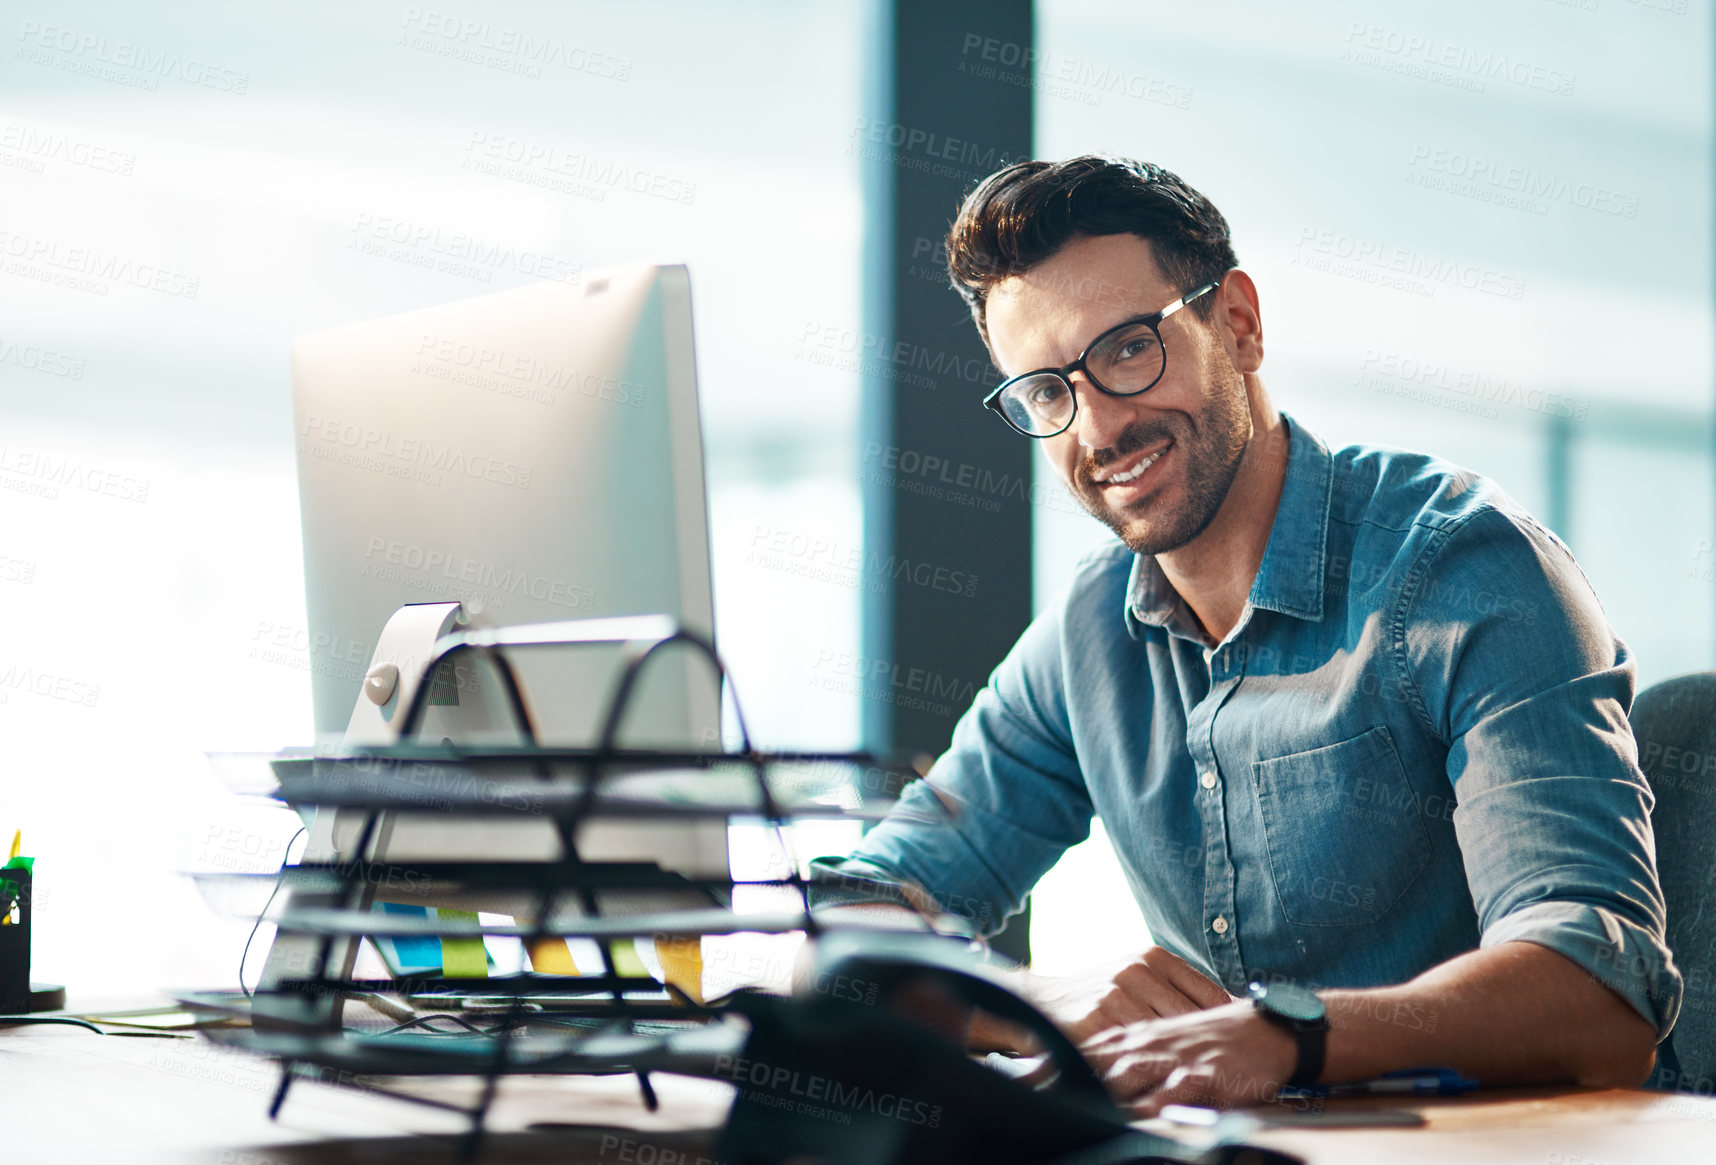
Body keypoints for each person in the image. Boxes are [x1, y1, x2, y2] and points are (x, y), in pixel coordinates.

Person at [809, 155, 1680, 1114]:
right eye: (1048, 392)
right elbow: (851, 923)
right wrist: (1032, 999)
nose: (1098, 425)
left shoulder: (1464, 574)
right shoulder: (1090, 638)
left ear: (1239, 325)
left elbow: (1600, 991)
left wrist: (1288, 1035)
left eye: (1130, 349)